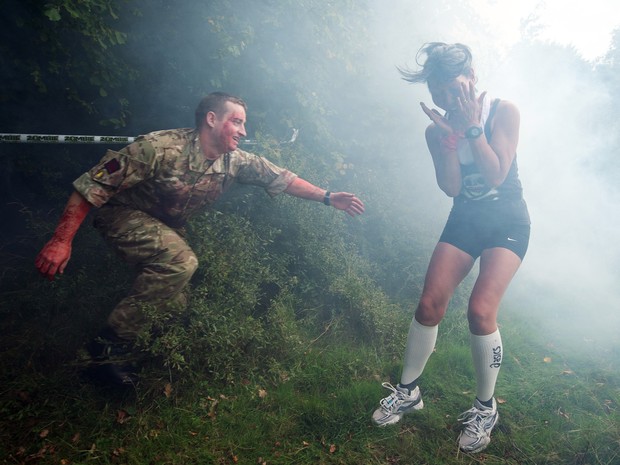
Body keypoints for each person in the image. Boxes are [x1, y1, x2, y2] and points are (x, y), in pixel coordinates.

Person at [35, 91, 365, 385]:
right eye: (237, 122)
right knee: (181, 262)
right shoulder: (157, 148)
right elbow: (91, 186)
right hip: (121, 215)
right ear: (211, 119)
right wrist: (61, 241)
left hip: (165, 227)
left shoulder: (235, 161)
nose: (244, 131)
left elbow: (282, 178)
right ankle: (103, 349)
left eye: (244, 124)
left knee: (176, 302)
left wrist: (327, 196)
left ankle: (128, 356)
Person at [371, 43, 530, 453]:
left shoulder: (503, 111)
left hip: (507, 223)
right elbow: (452, 188)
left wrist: (473, 128)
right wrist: (447, 143)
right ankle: (408, 392)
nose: (447, 98)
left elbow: (496, 174)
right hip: (464, 220)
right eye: (438, 90)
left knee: (480, 311)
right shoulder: (433, 128)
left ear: (472, 76)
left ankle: (485, 407)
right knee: (429, 305)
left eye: (453, 87)